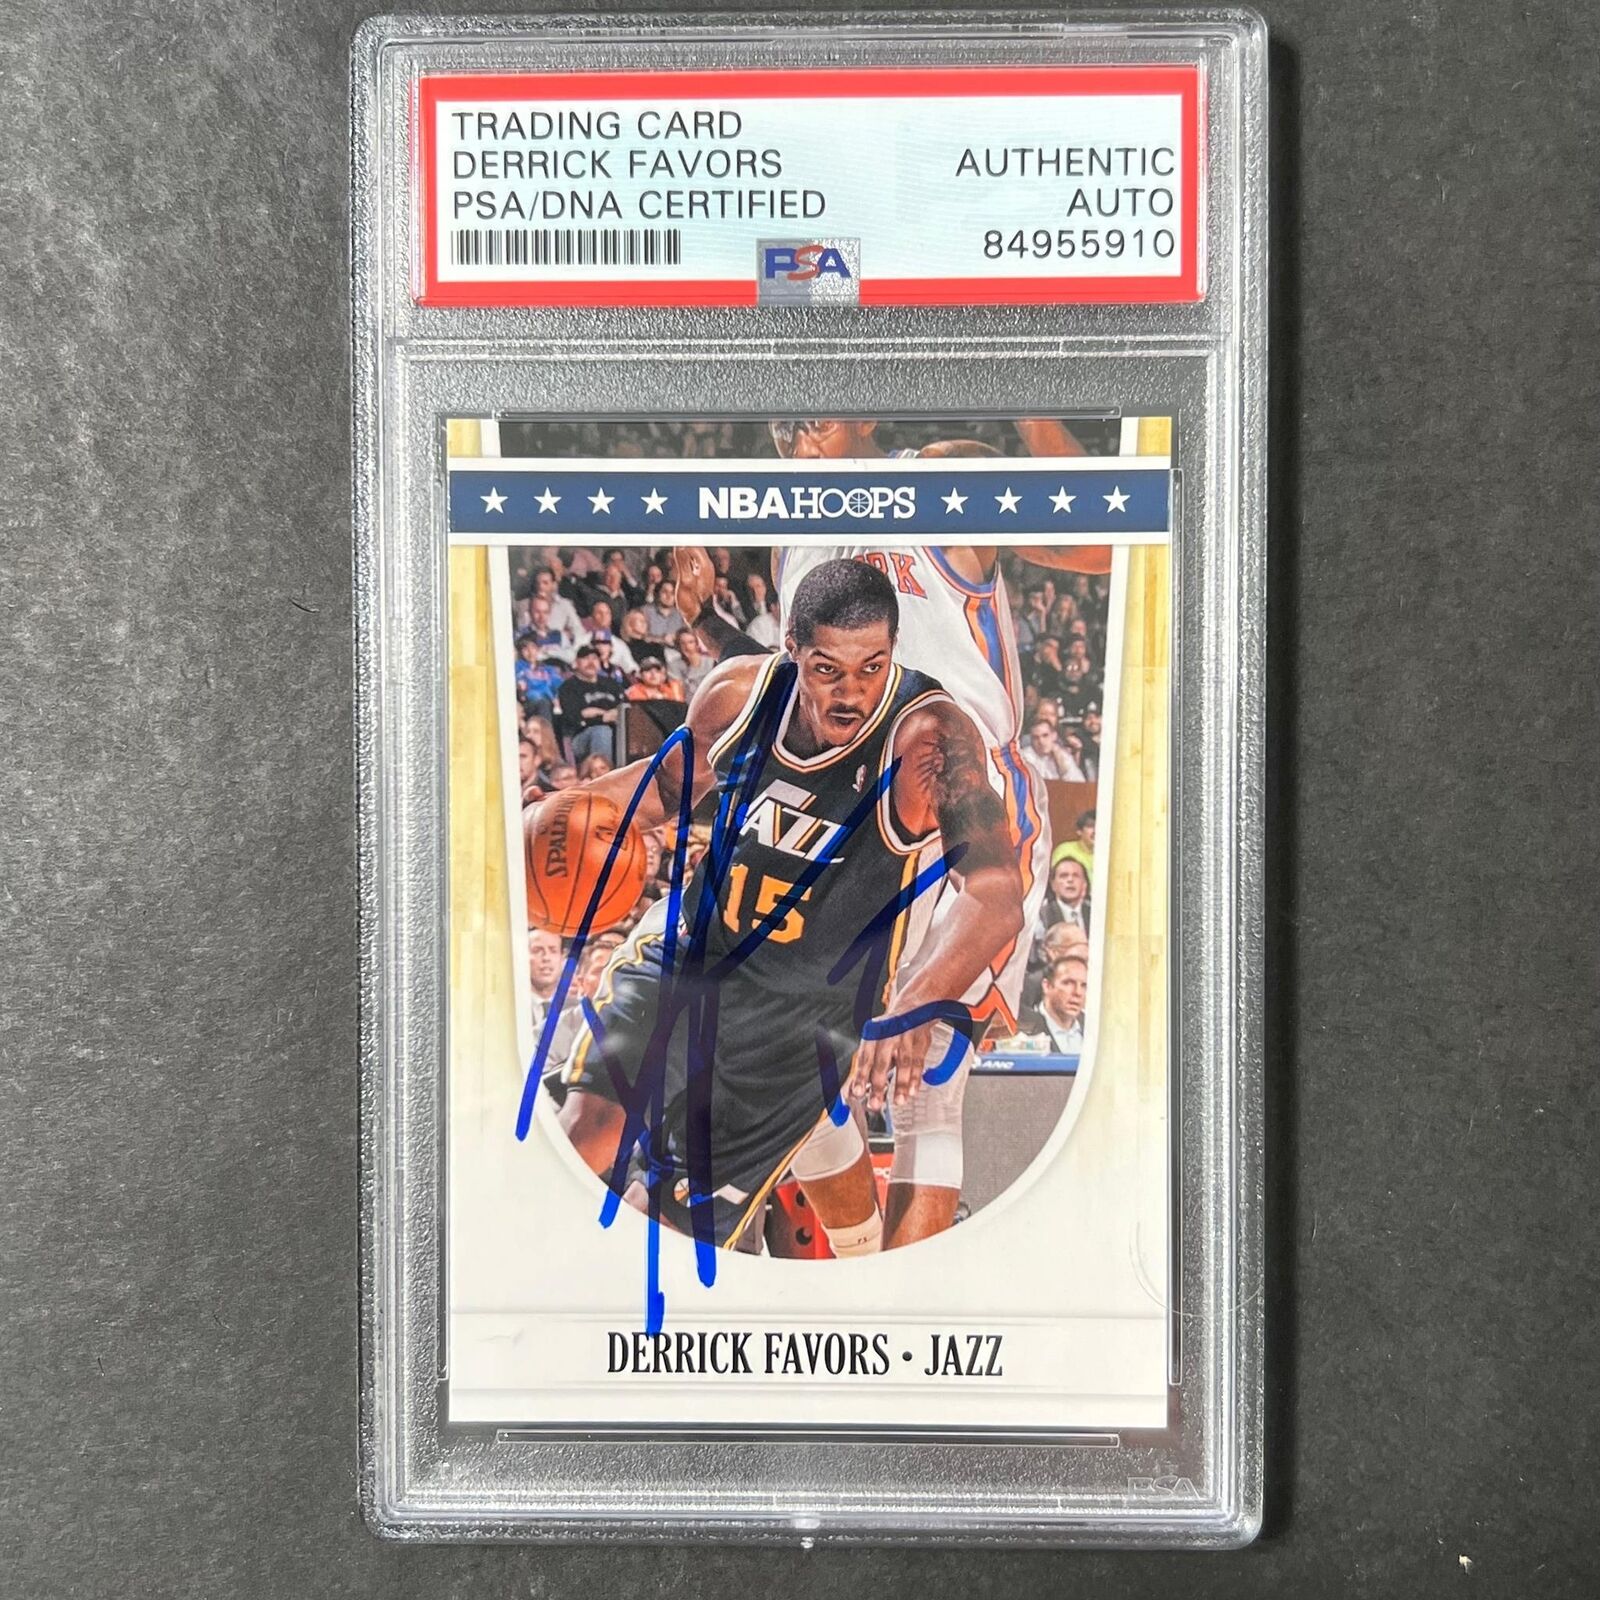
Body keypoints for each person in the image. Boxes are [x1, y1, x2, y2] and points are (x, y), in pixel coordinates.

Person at [669, 414, 1108, 1250]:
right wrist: (709, 625)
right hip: (843, 809)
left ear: (867, 411)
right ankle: (861, 1262)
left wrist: (1034, 402)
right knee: (792, 1071)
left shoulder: (940, 475)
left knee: (925, 1086)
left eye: (818, 405)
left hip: (960, 798)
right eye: (782, 407)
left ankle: (901, 1301)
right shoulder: (793, 534)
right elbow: (784, 682)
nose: (794, 423)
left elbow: (1098, 545)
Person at [544, 560, 1024, 1256]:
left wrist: (913, 1002)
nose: (851, 693)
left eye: (872, 668)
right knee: (585, 1136)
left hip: (801, 1029)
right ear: (792, 647)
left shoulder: (928, 738)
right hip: (691, 959)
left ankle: (850, 1265)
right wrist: (553, 815)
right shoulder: (739, 695)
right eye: (828, 670)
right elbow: (666, 788)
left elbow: (995, 891)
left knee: (671, 1236)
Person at [556, 646, 623, 766]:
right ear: (576, 662)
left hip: (616, 732)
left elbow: (625, 707)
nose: (591, 662)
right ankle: (602, 774)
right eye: (586, 658)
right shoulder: (568, 687)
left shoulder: (611, 684)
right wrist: (603, 717)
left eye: (594, 658)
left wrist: (596, 713)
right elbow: (573, 717)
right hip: (580, 738)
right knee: (602, 731)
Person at [1024, 954, 1088, 1053]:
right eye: (1068, 983)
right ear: (1047, 986)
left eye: (1084, 985)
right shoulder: (1022, 1029)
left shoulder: (1095, 1029)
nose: (1078, 992)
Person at [1022, 716, 1086, 784]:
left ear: (1054, 735)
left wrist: (1061, 764)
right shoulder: (1024, 757)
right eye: (1036, 737)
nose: (1041, 741)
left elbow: (1079, 783)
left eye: (1045, 735)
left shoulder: (1063, 755)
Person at [1040, 855, 1091, 937]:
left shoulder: (1094, 914)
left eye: (1076, 875)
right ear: (1053, 885)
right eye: (1063, 876)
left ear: (1084, 884)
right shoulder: (1042, 916)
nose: (1070, 880)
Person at [528, 927, 564, 1034]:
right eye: (537, 951)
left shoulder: (578, 1009)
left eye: (553, 951)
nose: (546, 958)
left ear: (562, 958)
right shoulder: (510, 1008)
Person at [668, 626, 713, 695]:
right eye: (683, 643)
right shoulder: (674, 665)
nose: (687, 647)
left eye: (691, 642)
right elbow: (677, 691)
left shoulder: (710, 662)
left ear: (697, 644)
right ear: (678, 645)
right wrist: (691, 665)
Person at [1057, 812, 1095, 876]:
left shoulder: (1108, 854)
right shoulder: (1065, 850)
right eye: (1090, 826)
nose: (1095, 830)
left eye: (1100, 826)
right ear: (1079, 831)